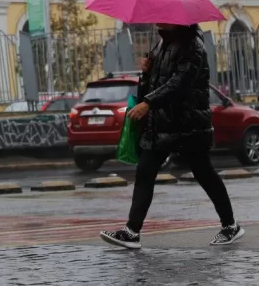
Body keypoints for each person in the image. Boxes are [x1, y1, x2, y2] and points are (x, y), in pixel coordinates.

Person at [100, 23, 244, 249]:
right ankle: (131, 232)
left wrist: (149, 103)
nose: (158, 21)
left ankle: (230, 226)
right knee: (145, 171)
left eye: (163, 17)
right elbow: (153, 85)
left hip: (189, 124)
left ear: (179, 20)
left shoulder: (193, 47)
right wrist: (145, 72)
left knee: (204, 173)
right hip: (162, 123)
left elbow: (180, 83)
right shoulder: (161, 45)